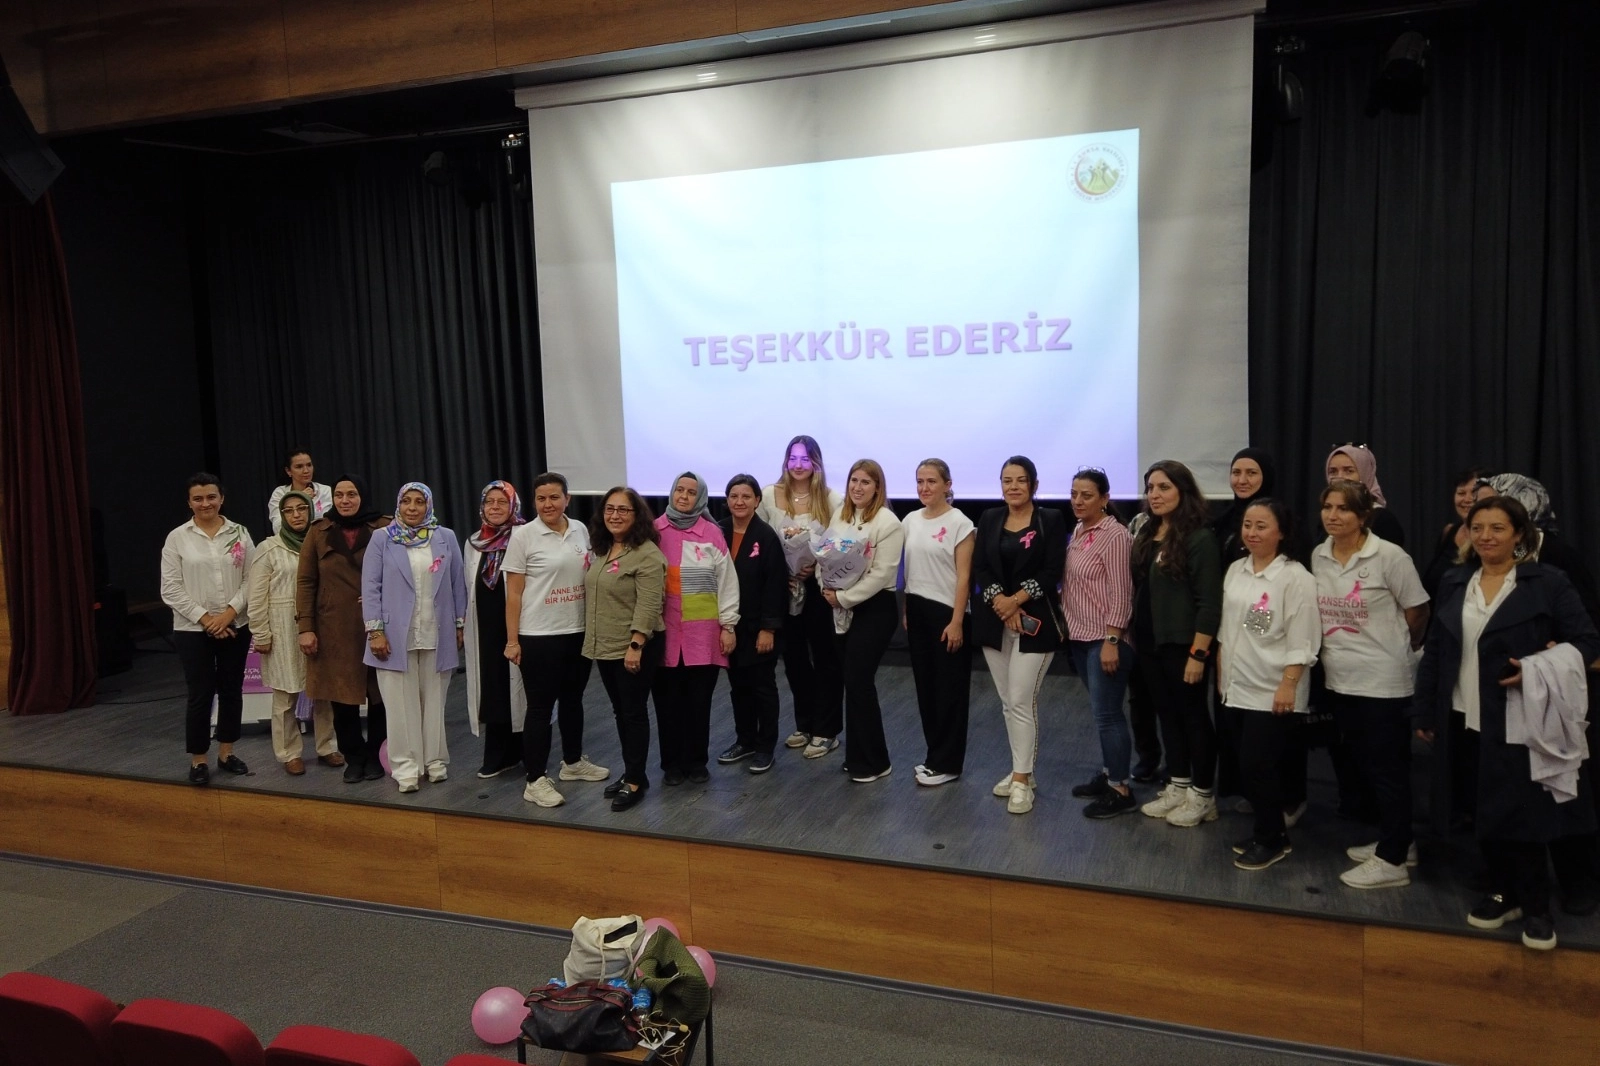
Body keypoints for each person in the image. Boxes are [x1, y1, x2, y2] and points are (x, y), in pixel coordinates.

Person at [1414, 496, 1600, 950]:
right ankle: (1504, 893)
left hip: (1520, 718)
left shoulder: (1547, 582)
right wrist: (1424, 710)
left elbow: (1587, 642)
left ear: (1519, 534)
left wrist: (1541, 666)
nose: (1486, 537)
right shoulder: (1456, 581)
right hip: (1462, 716)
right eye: (1477, 528)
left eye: (1497, 528)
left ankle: (1537, 909)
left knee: (1523, 815)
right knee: (1480, 810)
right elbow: (1436, 650)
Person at [1313, 479, 1430, 889]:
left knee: (1388, 770)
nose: (1333, 515)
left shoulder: (1389, 556)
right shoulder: (1319, 554)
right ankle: (1401, 842)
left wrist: (1397, 647)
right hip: (1341, 679)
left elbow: (1418, 611)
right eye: (1328, 507)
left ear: (1363, 515)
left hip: (1384, 681)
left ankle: (1392, 861)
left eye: (1343, 508)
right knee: (1365, 765)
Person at [1218, 499, 1320, 870]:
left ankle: (1271, 839)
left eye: (1261, 526)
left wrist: (1288, 685)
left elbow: (1303, 638)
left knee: (1258, 766)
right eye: (1248, 525)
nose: (1252, 532)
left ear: (1282, 532)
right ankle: (1270, 829)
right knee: (1246, 767)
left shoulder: (1295, 577)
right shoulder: (1236, 569)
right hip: (1237, 686)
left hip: (1273, 688)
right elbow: (1228, 629)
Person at [504, 472, 608, 808]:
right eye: (541, 498)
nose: (547, 504)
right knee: (540, 708)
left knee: (573, 699)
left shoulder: (580, 530)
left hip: (577, 631)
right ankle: (534, 780)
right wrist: (512, 641)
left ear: (567, 499)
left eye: (554, 497)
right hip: (539, 636)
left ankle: (573, 763)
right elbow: (513, 594)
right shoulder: (523, 536)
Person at [1132, 460, 1224, 827]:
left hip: (1184, 645)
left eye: (1164, 487)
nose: (1154, 494)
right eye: (1150, 488)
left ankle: (1203, 795)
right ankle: (1179, 783)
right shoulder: (1148, 531)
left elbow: (1209, 603)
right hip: (1150, 643)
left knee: (1193, 716)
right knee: (1167, 715)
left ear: (1183, 491)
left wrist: (1198, 654)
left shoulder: (1199, 538)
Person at [973, 456, 1067, 815]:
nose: (1013, 487)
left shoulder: (1050, 519)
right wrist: (1002, 603)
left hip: (1036, 624)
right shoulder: (990, 517)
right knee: (1008, 702)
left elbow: (1052, 570)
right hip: (995, 622)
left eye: (1020, 480)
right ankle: (1021, 771)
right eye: (1007, 480)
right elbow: (981, 567)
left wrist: (1015, 601)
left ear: (1034, 485)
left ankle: (1021, 780)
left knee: (1021, 700)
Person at [362, 483, 468, 793]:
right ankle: (405, 766)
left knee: (434, 701)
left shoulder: (445, 537)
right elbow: (370, 587)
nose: (412, 507)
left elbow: (457, 583)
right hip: (394, 635)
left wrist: (459, 625)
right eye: (406, 501)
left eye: (419, 501)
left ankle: (434, 761)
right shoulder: (382, 538)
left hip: (437, 631)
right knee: (399, 705)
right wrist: (375, 631)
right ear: (398, 504)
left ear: (428, 505)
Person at [161, 474, 256, 785]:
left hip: (235, 625)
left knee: (231, 691)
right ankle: (199, 759)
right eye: (198, 499)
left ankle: (226, 753)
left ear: (221, 498)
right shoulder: (177, 538)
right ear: (189, 503)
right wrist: (207, 619)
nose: (206, 503)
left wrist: (228, 614)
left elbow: (252, 579)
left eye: (211, 497)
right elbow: (170, 588)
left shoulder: (240, 533)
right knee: (200, 694)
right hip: (191, 630)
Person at [297, 474, 390, 784]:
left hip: (377, 627)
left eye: (352, 494)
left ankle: (377, 755)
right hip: (333, 628)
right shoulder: (319, 531)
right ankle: (354, 757)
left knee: (380, 696)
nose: (345, 500)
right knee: (342, 698)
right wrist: (306, 627)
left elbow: (400, 574)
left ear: (362, 496)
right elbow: (306, 581)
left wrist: (381, 598)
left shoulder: (384, 528)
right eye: (339, 495)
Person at [818, 459, 905, 784]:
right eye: (854, 480)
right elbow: (823, 556)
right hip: (839, 605)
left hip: (874, 608)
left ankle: (875, 762)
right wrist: (825, 587)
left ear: (877, 487)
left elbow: (882, 574)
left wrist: (843, 598)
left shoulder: (888, 522)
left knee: (859, 680)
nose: (857, 487)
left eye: (865, 482)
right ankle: (857, 757)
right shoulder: (840, 516)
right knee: (851, 682)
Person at [652, 472, 740, 786]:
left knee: (698, 703)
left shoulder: (711, 533)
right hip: (663, 634)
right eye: (679, 490)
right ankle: (671, 764)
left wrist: (728, 625)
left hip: (703, 635)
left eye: (691, 492)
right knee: (667, 705)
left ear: (699, 498)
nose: (684, 496)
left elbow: (727, 582)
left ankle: (696, 762)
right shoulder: (653, 531)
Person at [759, 435, 844, 757]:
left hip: (818, 586)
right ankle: (805, 723)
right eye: (793, 458)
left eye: (805, 459)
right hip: (783, 586)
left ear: (816, 463)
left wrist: (816, 565)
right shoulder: (770, 494)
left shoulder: (832, 499)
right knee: (793, 659)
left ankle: (827, 730)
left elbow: (840, 542)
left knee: (825, 658)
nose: (798, 465)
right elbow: (763, 538)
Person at [1061, 468, 1138, 818]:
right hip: (1080, 637)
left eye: (1087, 495)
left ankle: (1121, 789)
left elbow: (1122, 593)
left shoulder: (1115, 535)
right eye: (1074, 494)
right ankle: (1110, 775)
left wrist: (1112, 639)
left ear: (1105, 499)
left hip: (1104, 639)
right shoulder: (1080, 529)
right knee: (1101, 712)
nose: (1078, 501)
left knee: (1108, 715)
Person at [584, 487, 667, 812]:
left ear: (637, 515)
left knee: (633, 713)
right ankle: (633, 772)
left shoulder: (647, 554)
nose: (615, 515)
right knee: (621, 712)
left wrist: (635, 645)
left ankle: (634, 781)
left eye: (623, 510)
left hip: (634, 647)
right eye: (610, 509)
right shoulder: (604, 548)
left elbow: (649, 604)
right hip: (606, 645)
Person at [246, 490, 338, 775]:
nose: (296, 515)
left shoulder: (322, 542)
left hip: (320, 625)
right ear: (281, 516)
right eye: (289, 510)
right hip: (283, 630)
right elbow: (256, 596)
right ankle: (289, 752)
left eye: (301, 508)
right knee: (285, 696)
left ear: (311, 511)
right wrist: (261, 633)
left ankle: (327, 747)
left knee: (323, 691)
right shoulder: (269, 548)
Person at [901, 459, 975, 787]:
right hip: (917, 609)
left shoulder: (960, 523)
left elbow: (964, 577)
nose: (924, 487)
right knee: (926, 689)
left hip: (947, 613)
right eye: (920, 481)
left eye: (931, 481)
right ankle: (934, 757)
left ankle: (949, 763)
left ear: (947, 484)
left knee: (949, 692)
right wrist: (907, 608)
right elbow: (909, 570)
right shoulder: (910, 520)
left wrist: (957, 620)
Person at [717, 474, 788, 775]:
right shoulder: (718, 531)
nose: (739, 502)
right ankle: (744, 740)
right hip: (728, 627)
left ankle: (765, 747)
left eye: (746, 496)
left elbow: (775, 585)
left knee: (762, 688)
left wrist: (768, 628)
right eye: (734, 496)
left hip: (758, 628)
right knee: (738, 687)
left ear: (757, 500)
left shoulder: (766, 536)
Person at [463, 481, 528, 780]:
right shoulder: (474, 542)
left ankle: (525, 752)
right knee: (493, 687)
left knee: (522, 689)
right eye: (489, 501)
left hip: (521, 626)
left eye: (502, 501)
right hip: (485, 629)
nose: (495, 507)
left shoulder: (525, 536)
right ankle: (498, 755)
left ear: (513, 505)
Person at [1420, 469, 1491, 600]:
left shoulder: (1493, 539)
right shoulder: (1449, 531)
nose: (1467, 499)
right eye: (1461, 493)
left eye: (1474, 493)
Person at [1326, 444, 1405, 548]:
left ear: (1366, 474)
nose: (1340, 478)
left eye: (1349, 471)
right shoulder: (1327, 517)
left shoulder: (1382, 520)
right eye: (1333, 472)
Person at [1212, 448, 1278, 562]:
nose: (1242, 480)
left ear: (1266, 476)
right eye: (1236, 473)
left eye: (1251, 473)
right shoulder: (1221, 522)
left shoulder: (1283, 521)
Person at [268, 448, 333, 533]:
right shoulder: (279, 493)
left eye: (309, 465)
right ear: (288, 471)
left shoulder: (326, 491)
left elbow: (332, 523)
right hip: (290, 540)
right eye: (299, 467)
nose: (306, 471)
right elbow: (278, 528)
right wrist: (301, 498)